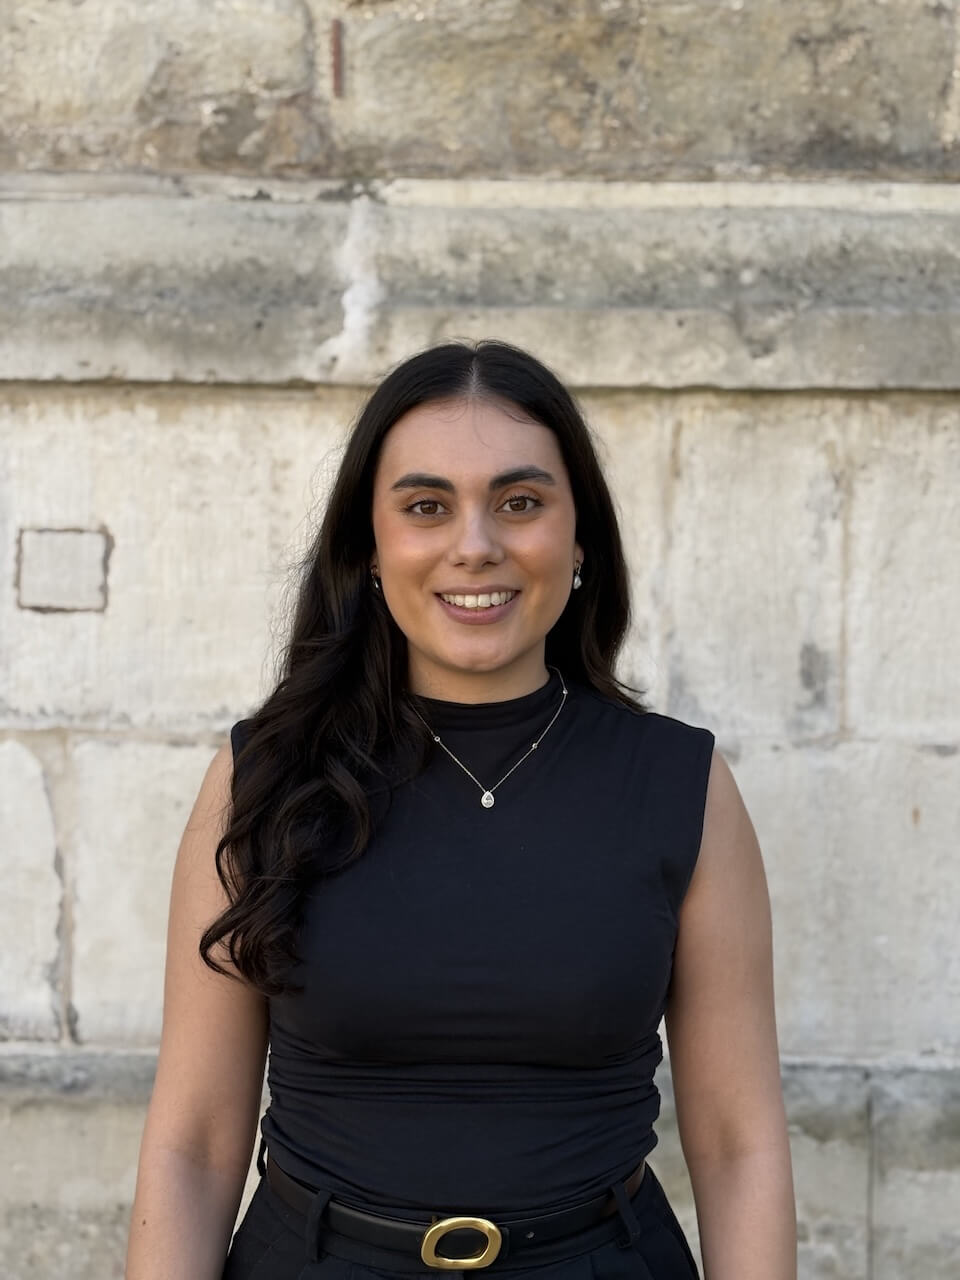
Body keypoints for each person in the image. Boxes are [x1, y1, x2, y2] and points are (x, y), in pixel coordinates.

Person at [125, 340, 797, 1280]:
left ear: (580, 539)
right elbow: (193, 1144)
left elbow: (737, 1142)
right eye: (426, 506)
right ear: (368, 547)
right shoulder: (262, 779)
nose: (474, 544)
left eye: (519, 503)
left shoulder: (681, 784)